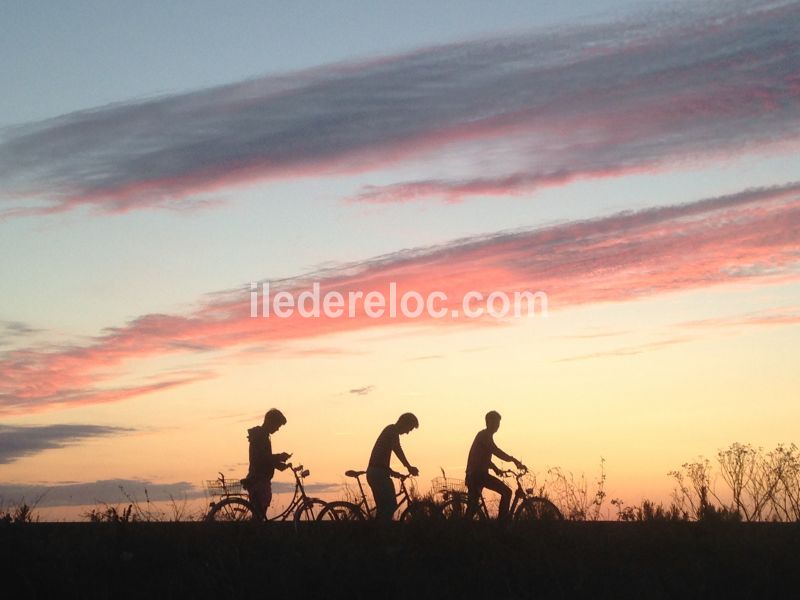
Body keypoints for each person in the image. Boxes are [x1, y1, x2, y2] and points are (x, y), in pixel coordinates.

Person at [465, 410, 526, 520]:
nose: (497, 425)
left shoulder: (485, 436)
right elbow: (496, 451)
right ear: (488, 422)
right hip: (478, 475)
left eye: (498, 423)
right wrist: (513, 460)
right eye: (495, 422)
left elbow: (483, 458)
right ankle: (502, 525)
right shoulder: (484, 436)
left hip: (475, 475)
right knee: (507, 492)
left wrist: (496, 469)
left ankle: (459, 530)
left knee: (472, 508)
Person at [366, 413, 420, 522]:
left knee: (383, 508)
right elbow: (397, 449)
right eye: (409, 428)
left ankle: (376, 532)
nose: (408, 432)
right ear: (404, 423)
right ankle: (382, 532)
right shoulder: (392, 431)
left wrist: (392, 472)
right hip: (378, 474)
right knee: (390, 505)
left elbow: (380, 459)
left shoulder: (390, 430)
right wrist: (409, 467)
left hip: (377, 472)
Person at [243, 408, 291, 520]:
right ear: (271, 422)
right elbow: (262, 458)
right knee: (259, 515)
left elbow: (265, 459)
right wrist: (279, 457)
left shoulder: (261, 435)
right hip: (259, 479)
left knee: (259, 515)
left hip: (259, 478)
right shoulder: (261, 437)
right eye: (278, 425)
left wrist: (280, 464)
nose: (278, 429)